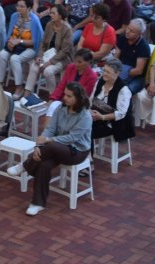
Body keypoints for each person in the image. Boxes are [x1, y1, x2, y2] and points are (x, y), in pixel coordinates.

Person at [8, 82, 92, 216]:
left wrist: (48, 140)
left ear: (78, 98)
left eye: (69, 96)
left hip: (77, 151)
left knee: (51, 145)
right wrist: (39, 146)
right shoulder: (61, 108)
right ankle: (38, 203)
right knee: (44, 165)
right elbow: (50, 129)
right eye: (65, 94)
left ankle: (25, 165)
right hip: (55, 148)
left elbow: (72, 138)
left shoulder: (85, 116)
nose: (65, 98)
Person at [27, 2, 76, 95]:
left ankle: (53, 95)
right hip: (48, 55)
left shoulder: (67, 29)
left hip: (62, 58)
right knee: (34, 66)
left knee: (48, 71)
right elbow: (43, 43)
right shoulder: (49, 25)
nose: (51, 15)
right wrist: (39, 56)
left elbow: (64, 51)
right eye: (50, 13)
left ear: (60, 15)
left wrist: (50, 62)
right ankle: (27, 92)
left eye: (53, 13)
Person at [2, 0, 44, 91]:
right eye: (17, 6)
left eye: (22, 6)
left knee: (14, 59)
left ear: (29, 8)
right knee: (2, 55)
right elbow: (9, 34)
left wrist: (19, 41)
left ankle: (19, 87)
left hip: (30, 48)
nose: (18, 8)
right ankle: (0, 82)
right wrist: (10, 41)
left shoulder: (34, 20)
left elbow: (35, 41)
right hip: (15, 46)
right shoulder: (14, 16)